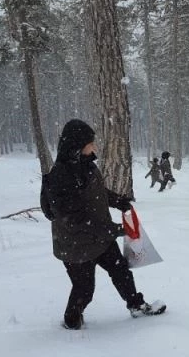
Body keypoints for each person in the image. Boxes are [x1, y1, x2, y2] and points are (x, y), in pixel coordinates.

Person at [40, 119, 165, 330]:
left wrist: (119, 201)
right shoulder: (61, 176)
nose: (94, 147)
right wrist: (115, 230)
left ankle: (135, 305)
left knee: (121, 270)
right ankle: (72, 320)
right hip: (76, 245)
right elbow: (76, 219)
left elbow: (97, 194)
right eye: (91, 143)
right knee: (84, 290)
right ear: (78, 145)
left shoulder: (86, 165)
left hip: (99, 238)